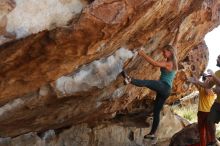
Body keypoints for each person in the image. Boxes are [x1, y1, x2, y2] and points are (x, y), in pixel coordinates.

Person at [122, 45, 178, 140]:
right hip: (166, 90)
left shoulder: (169, 63)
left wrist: (142, 53)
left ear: (170, 52)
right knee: (156, 112)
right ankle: (152, 133)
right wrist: (178, 31)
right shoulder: (174, 60)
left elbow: (155, 64)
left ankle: (130, 80)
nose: (163, 53)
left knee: (147, 82)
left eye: (164, 52)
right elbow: (174, 46)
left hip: (164, 86)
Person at [196, 55, 220, 146]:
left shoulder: (215, 74)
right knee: (210, 120)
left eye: (218, 59)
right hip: (217, 103)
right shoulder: (217, 73)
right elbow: (208, 86)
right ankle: (213, 141)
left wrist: (213, 75)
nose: (216, 60)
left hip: (208, 108)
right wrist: (196, 81)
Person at [187, 74, 215, 146]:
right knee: (201, 132)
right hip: (201, 112)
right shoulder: (201, 88)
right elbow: (196, 82)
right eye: (206, 78)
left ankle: (210, 144)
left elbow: (207, 91)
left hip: (209, 113)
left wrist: (206, 80)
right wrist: (192, 79)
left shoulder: (212, 90)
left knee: (208, 132)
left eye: (209, 78)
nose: (206, 78)